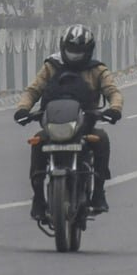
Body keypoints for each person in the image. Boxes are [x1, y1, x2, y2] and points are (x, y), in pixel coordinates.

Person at [15, 24, 123, 219]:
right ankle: (38, 198)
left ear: (88, 50)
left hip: (83, 125)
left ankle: (98, 192)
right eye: (71, 50)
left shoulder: (97, 69)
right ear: (63, 47)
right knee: (37, 143)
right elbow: (33, 90)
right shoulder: (51, 66)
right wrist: (23, 108)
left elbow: (113, 92)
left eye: (79, 51)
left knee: (101, 139)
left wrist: (115, 109)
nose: (74, 55)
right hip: (53, 125)